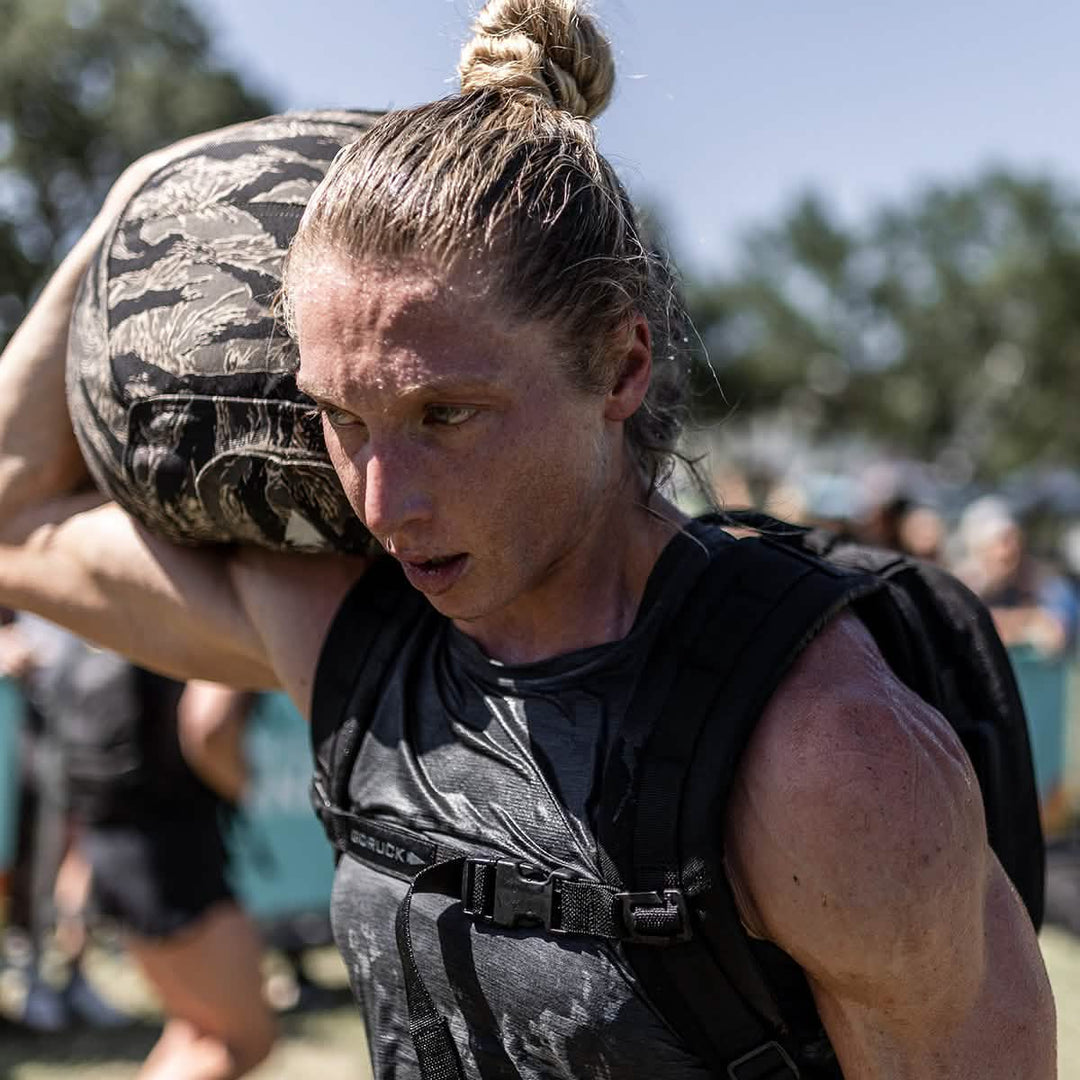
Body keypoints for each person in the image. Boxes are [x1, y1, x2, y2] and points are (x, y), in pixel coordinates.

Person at [0, 1, 1057, 1076]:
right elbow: (10, 516)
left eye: (446, 415)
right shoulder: (364, 649)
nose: (384, 504)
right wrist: (134, 201)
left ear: (622, 367)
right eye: (344, 418)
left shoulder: (825, 759)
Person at [4, 617, 276, 1079]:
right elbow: (210, 727)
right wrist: (240, 786)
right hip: (172, 851)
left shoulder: (129, 608)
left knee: (195, 1030)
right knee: (245, 1042)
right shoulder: (217, 607)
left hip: (117, 841)